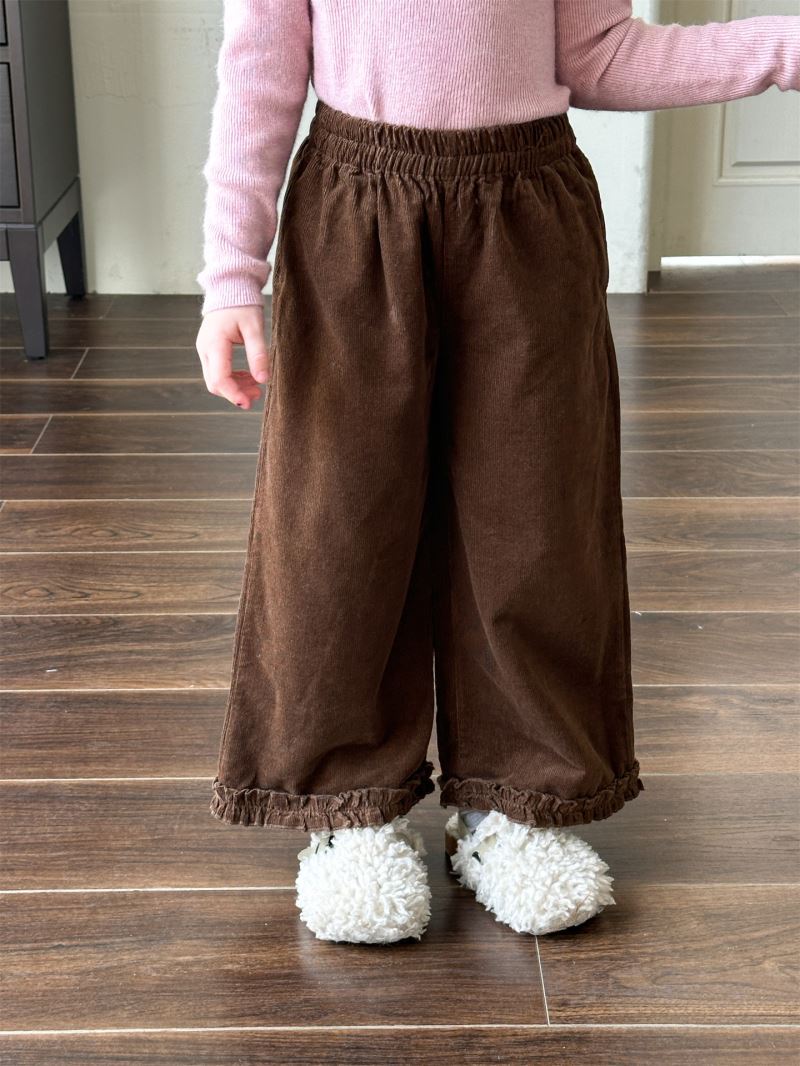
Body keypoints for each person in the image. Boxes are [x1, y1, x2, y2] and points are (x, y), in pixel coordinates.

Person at [195, 0, 800, 945]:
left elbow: (598, 55)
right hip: (356, 211)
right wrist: (232, 272)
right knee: (338, 521)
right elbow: (260, 73)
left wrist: (781, 47)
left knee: (536, 514)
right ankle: (350, 804)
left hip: (528, 215)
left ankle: (518, 799)